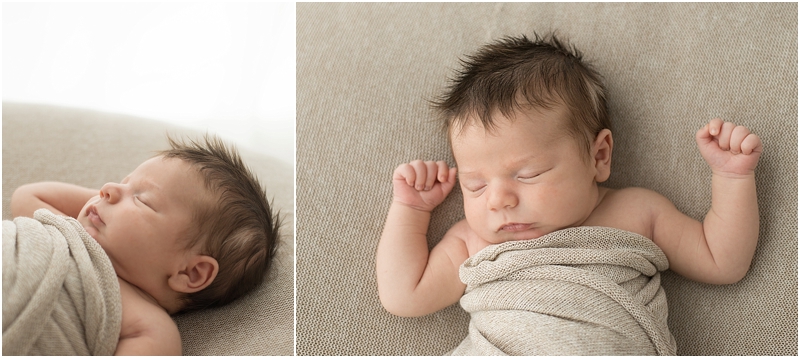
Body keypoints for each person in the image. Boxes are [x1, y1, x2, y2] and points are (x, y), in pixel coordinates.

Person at [376, 34, 763, 318]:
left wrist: (731, 179)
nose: (497, 200)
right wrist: (411, 209)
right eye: (474, 185)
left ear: (599, 156)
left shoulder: (637, 212)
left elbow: (723, 261)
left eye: (528, 174)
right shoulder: (472, 241)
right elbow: (404, 296)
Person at [10, 135, 281, 355]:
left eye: (143, 199)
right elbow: (27, 196)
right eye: (124, 182)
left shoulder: (149, 326)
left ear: (191, 273)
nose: (107, 188)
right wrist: (109, 203)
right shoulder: (71, 232)